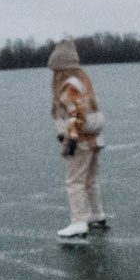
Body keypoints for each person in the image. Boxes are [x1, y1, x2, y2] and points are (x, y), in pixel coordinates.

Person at [49, 40, 108, 242]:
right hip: (93, 139)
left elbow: (77, 115)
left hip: (81, 141)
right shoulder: (82, 81)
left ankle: (78, 222)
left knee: (74, 182)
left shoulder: (69, 87)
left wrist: (71, 141)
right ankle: (96, 214)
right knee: (90, 179)